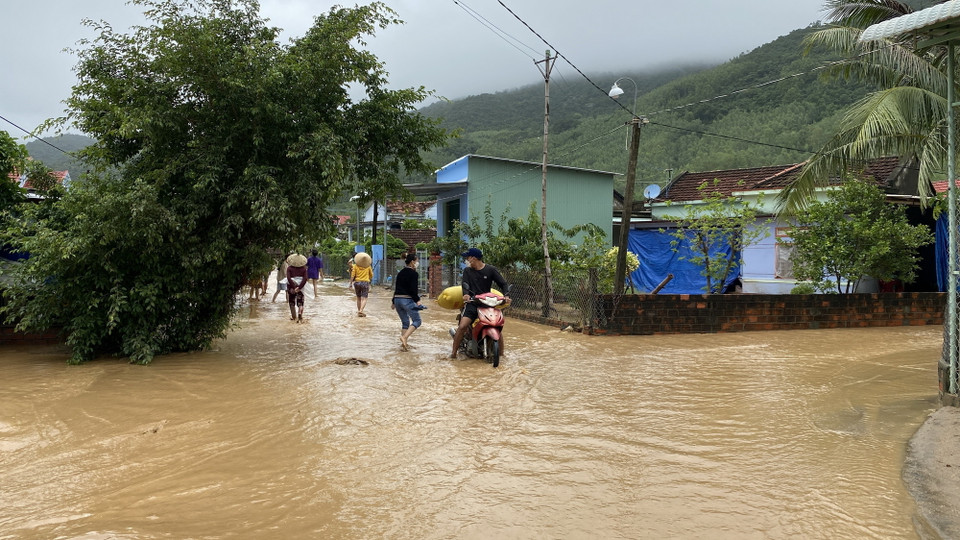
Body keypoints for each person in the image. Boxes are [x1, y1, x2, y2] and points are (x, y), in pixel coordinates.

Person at [451, 248, 510, 358]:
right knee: (463, 326)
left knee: (497, 326)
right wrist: (466, 294)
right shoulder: (467, 271)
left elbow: (503, 284)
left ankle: (502, 354)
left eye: (467, 258)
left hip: (488, 304)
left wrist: (506, 295)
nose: (466, 260)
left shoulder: (491, 270)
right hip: (473, 303)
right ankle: (453, 353)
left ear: (473, 258)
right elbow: (465, 284)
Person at [393, 253, 424, 351]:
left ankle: (404, 346)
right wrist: (417, 301)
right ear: (412, 262)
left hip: (397, 299)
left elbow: (396, 287)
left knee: (405, 322)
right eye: (416, 261)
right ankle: (404, 337)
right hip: (406, 300)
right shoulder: (414, 273)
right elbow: (413, 290)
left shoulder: (400, 272)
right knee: (417, 321)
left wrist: (393, 301)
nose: (417, 263)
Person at [285, 253, 309, 322]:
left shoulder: (289, 268)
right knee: (300, 302)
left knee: (292, 301)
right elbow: (305, 279)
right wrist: (299, 287)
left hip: (291, 288)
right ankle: (300, 312)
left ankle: (294, 317)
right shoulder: (304, 269)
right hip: (300, 288)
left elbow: (288, 278)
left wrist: (294, 287)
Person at [348, 252, 373, 317]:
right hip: (365, 282)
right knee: (364, 298)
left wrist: (350, 284)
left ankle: (359, 311)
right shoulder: (368, 266)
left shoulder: (355, 266)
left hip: (357, 283)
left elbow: (352, 276)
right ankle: (361, 311)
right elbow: (371, 275)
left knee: (358, 298)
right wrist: (368, 278)